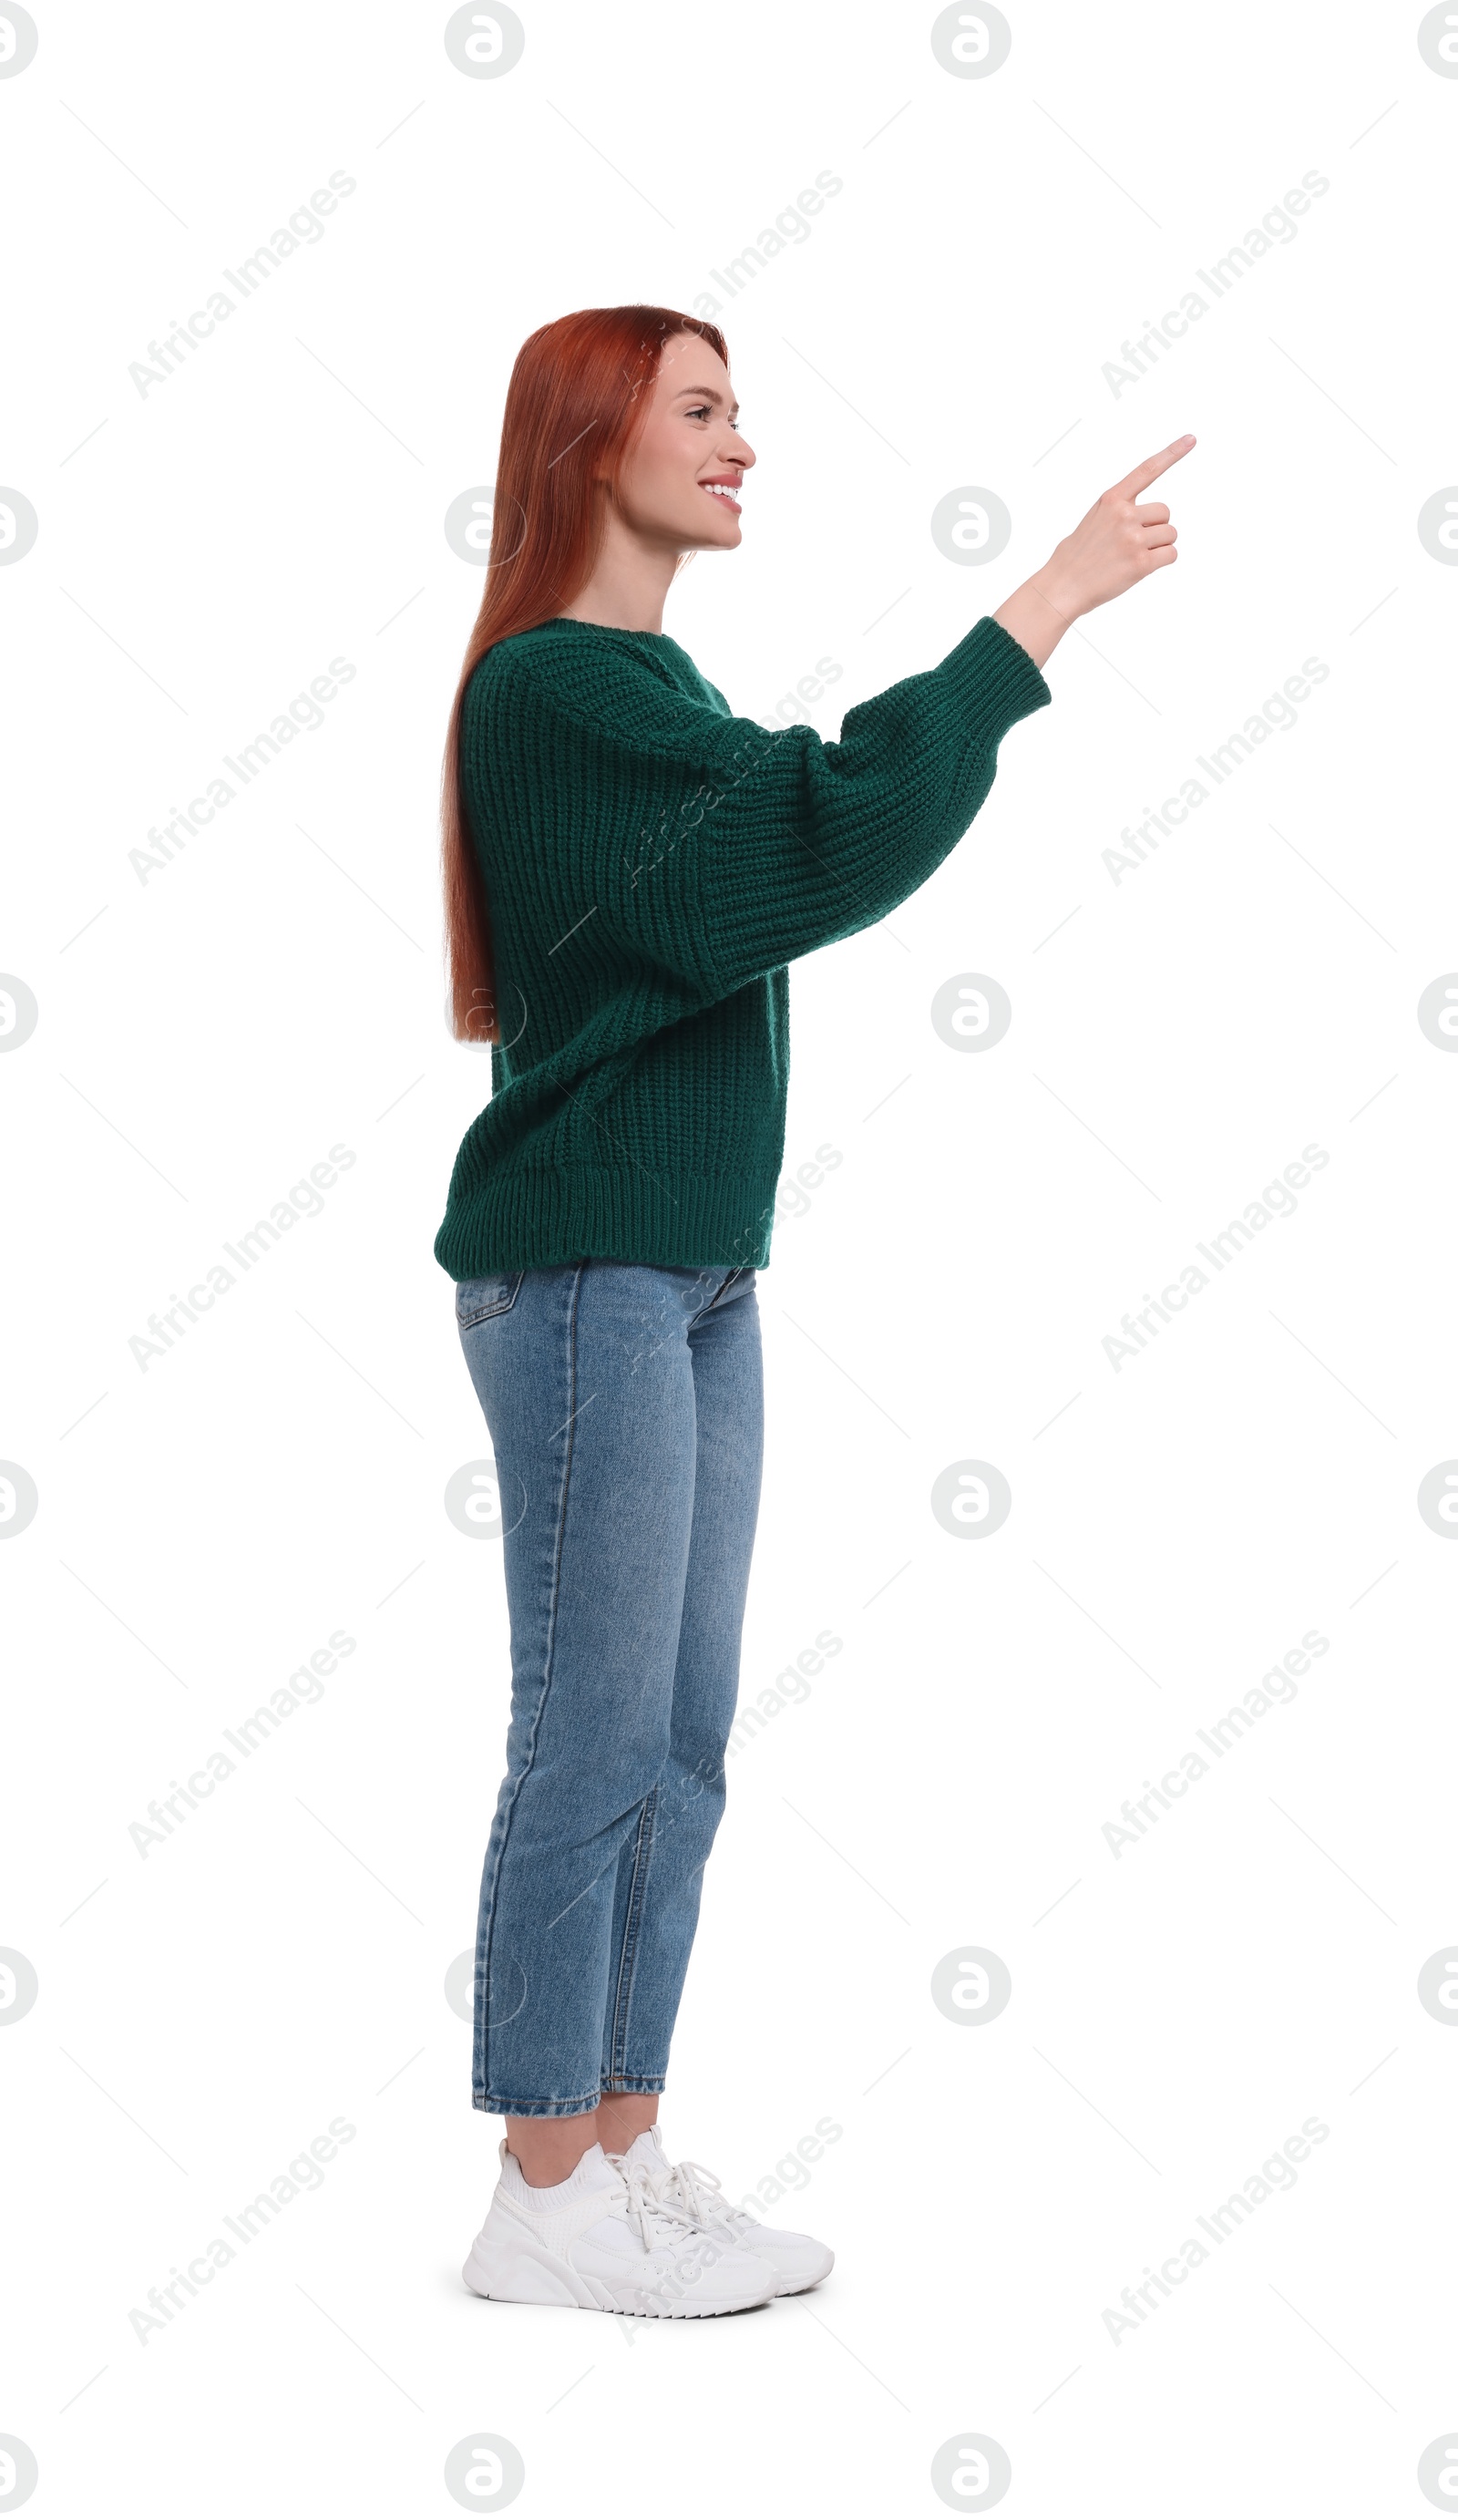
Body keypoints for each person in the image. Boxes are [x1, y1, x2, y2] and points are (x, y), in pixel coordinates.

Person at [434, 303, 1193, 2317]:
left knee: (679, 1741)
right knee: (587, 1733)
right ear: (591, 442)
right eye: (701, 410)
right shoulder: (547, 698)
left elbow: (787, 824)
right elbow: (821, 827)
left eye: (737, 411)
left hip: (685, 1273)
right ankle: (533, 2187)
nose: (742, 442)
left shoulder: (640, 682)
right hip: (584, 1271)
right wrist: (1042, 604)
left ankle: (619, 2151)